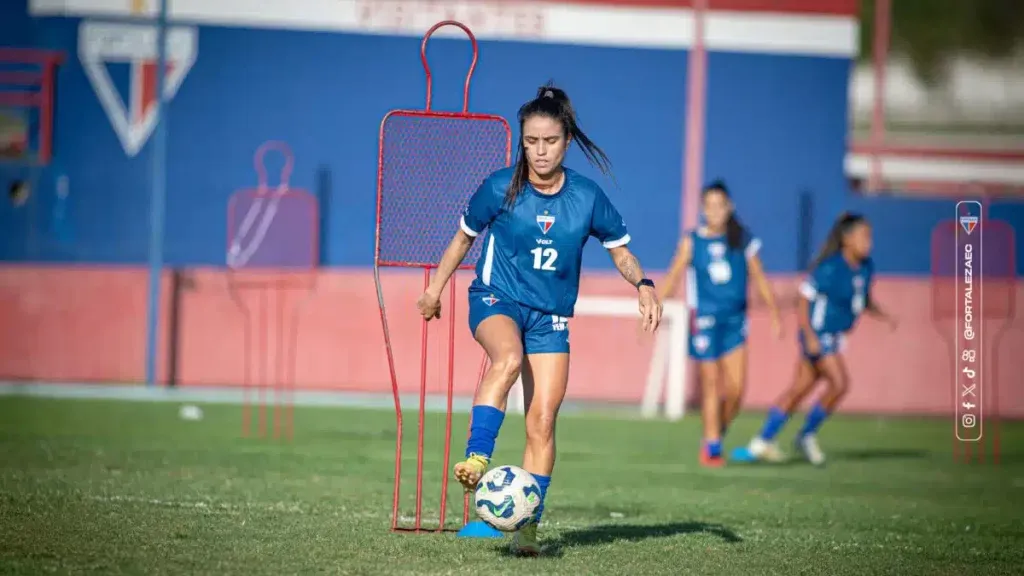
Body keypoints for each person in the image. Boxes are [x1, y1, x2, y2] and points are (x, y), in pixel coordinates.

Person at [415, 84, 663, 556]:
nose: (540, 150)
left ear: (566, 140)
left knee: (543, 421)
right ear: (522, 142)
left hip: (550, 317)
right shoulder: (498, 187)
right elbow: (463, 239)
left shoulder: (587, 197)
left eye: (550, 141)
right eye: (531, 141)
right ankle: (477, 457)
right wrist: (433, 290)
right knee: (507, 359)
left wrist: (644, 284)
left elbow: (621, 253)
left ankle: (527, 528)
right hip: (497, 299)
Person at [733, 212, 898, 466]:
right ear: (847, 239)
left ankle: (762, 441)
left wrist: (884, 315)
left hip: (835, 335)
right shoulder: (831, 267)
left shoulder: (865, 267)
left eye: (869, 237)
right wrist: (809, 336)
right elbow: (803, 299)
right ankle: (806, 435)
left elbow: (862, 299)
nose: (869, 243)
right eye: (864, 236)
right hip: (819, 333)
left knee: (799, 389)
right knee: (840, 384)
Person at [659, 181, 782, 467]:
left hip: (735, 322)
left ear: (729, 208)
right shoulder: (692, 241)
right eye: (709, 206)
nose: (714, 211)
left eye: (720, 205)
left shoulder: (741, 240)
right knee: (711, 383)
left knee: (736, 390)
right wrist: (655, 306)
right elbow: (674, 274)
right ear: (702, 209)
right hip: (703, 321)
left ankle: (715, 434)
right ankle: (712, 446)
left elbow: (759, 276)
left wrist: (775, 312)